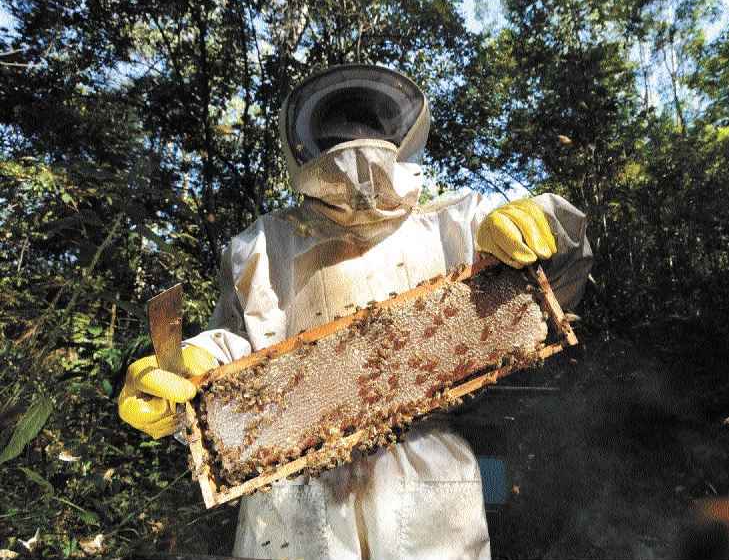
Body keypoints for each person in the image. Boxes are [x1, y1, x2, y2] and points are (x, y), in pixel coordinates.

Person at [118, 64, 593, 559]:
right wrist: (182, 377)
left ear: (400, 135)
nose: (355, 136)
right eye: (340, 127)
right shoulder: (261, 246)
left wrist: (549, 231)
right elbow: (230, 364)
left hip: (428, 492)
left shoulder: (453, 227)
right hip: (293, 498)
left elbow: (557, 284)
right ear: (309, 143)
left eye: (367, 122)